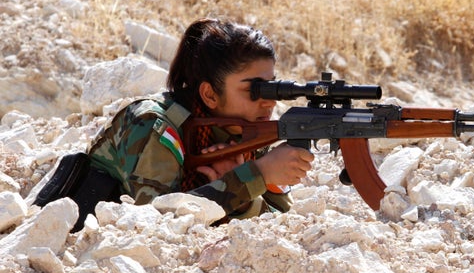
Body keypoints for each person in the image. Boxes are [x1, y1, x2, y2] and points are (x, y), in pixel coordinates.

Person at [71, 17, 314, 227]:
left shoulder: (244, 129)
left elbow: (274, 224)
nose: (268, 102)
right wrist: (255, 176)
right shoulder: (153, 125)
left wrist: (246, 190)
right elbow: (157, 223)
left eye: (273, 88)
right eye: (255, 89)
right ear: (209, 94)